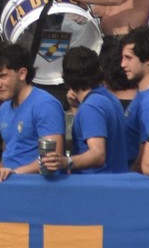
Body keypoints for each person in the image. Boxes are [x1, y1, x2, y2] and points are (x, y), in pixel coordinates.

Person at [0, 42, 65, 180]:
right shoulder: (3, 109)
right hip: (10, 189)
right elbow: (10, 154)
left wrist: (15, 173)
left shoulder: (45, 105)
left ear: (22, 74)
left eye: (3, 76)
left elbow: (51, 161)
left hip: (37, 190)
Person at [47, 47, 131, 175]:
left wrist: (65, 162)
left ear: (65, 77)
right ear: (99, 70)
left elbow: (97, 155)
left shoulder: (91, 107)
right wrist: (75, 107)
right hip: (114, 184)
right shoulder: (109, 98)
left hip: (96, 187)